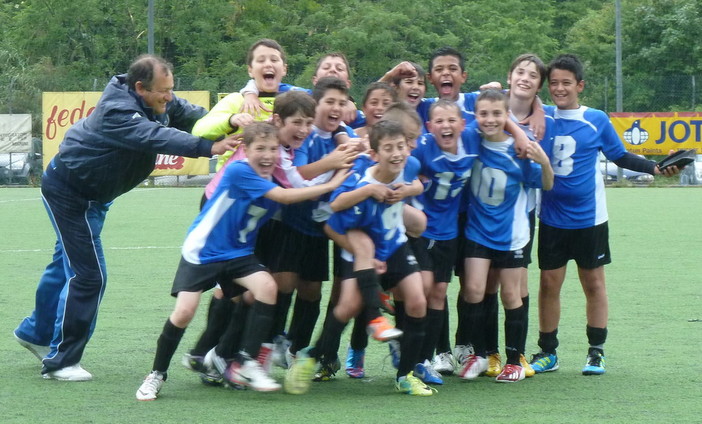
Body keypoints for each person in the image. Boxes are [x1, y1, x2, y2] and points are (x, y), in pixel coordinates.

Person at [12, 54, 240, 381]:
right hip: (68, 192)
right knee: (89, 276)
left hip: (94, 196)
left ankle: (34, 332)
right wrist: (209, 148)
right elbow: (156, 137)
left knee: (65, 265)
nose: (169, 97)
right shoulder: (117, 111)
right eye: (163, 91)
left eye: (171, 89)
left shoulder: (161, 101)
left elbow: (196, 117)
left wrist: (229, 124)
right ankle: (61, 361)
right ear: (140, 88)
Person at [135, 122, 350, 400]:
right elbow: (285, 195)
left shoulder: (275, 178)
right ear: (245, 151)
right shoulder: (239, 171)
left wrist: (343, 165)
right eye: (259, 149)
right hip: (203, 250)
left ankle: (246, 360)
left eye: (273, 149)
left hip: (238, 253)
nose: (267, 155)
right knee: (185, 312)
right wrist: (334, 181)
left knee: (266, 288)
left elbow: (295, 184)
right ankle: (156, 375)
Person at [531, 54, 678, 376]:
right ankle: (547, 351)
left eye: (566, 83)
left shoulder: (595, 118)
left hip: (588, 219)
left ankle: (596, 351)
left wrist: (654, 166)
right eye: (553, 83)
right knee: (548, 284)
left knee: (594, 283)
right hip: (552, 218)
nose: (559, 88)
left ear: (580, 86)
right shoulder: (538, 116)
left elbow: (619, 155)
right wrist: (535, 107)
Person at [285, 120, 433, 396]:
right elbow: (333, 215)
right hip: (361, 249)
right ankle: (312, 355)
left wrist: (412, 190)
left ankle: (406, 374)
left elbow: (418, 182)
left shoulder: (409, 165)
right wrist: (366, 193)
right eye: (389, 148)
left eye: (401, 146)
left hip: (395, 243)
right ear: (374, 154)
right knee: (346, 308)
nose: (397, 153)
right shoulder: (360, 184)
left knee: (417, 301)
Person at [457, 89, 553, 383]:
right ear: (476, 116)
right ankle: (480, 354)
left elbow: (547, 184)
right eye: (484, 114)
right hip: (477, 231)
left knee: (511, 295)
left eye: (497, 114)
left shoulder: (521, 151)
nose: (490, 119)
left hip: (511, 234)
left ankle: (515, 360)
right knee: (473, 290)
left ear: (506, 115)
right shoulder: (472, 140)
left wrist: (544, 162)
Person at [482, 53, 551, 379]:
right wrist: (516, 128)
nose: (525, 78)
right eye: (520, 72)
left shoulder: (545, 116)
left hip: (520, 216)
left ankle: (516, 354)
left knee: (517, 285)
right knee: (485, 285)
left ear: (539, 86)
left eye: (533, 75)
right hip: (483, 213)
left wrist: (534, 114)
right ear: (509, 76)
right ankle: (488, 352)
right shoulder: (490, 108)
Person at [408, 100, 477, 385]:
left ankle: (424, 360)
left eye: (452, 120)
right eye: (439, 121)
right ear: (429, 126)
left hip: (449, 233)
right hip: (420, 231)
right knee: (421, 292)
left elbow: (503, 115)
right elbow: (398, 165)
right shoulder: (422, 149)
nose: (446, 126)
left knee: (437, 294)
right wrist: (414, 183)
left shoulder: (472, 139)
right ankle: (409, 355)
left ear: (462, 124)